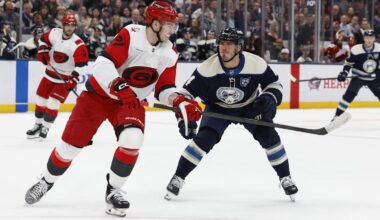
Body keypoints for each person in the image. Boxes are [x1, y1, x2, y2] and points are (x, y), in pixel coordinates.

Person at [24, 1, 201, 217]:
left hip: (129, 103)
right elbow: (102, 64)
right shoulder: (131, 34)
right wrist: (119, 85)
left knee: (133, 139)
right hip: (97, 97)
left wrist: (177, 101)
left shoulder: (170, 53)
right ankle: (46, 181)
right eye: (169, 25)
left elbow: (164, 88)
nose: (173, 30)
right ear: (155, 24)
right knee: (69, 148)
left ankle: (114, 191)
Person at [164, 28, 299, 202]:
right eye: (221, 44)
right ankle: (178, 177)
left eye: (229, 44)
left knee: (270, 138)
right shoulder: (207, 68)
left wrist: (267, 99)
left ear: (238, 47)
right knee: (203, 140)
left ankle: (285, 177)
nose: (224, 49)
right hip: (217, 108)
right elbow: (184, 96)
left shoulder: (255, 64)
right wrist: (183, 119)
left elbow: (274, 84)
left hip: (249, 107)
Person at [26, 14, 89, 140]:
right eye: (67, 25)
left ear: (75, 26)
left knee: (53, 103)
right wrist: (43, 50)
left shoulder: (78, 44)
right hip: (49, 73)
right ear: (63, 25)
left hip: (64, 78)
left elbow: (82, 65)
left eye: (72, 25)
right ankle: (38, 124)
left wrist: (74, 78)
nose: (70, 28)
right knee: (40, 99)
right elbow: (43, 40)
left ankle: (45, 128)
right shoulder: (54, 32)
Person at [333, 29, 380, 118]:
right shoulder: (356, 49)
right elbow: (349, 63)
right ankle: (337, 116)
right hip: (358, 77)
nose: (369, 40)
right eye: (367, 38)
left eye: (371, 37)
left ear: (374, 38)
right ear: (364, 38)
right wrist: (344, 73)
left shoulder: (379, 48)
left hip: (373, 78)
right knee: (348, 96)